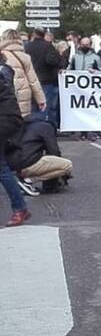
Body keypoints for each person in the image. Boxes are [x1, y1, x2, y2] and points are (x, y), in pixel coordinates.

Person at [7, 114, 73, 195]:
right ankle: (27, 181)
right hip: (27, 163)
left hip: (11, 164)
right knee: (67, 165)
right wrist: (62, 175)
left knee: (43, 158)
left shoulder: (22, 125)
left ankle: (22, 179)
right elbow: (54, 152)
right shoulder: (46, 127)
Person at [1, 63, 31, 227]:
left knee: (1, 168)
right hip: (8, 117)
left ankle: (20, 208)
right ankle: (20, 208)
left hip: (5, 118)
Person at [24, 27, 62, 130]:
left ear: (34, 34)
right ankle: (42, 130)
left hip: (30, 79)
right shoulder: (48, 46)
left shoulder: (27, 46)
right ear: (44, 34)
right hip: (45, 80)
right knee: (43, 106)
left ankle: (31, 128)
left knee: (31, 107)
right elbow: (51, 61)